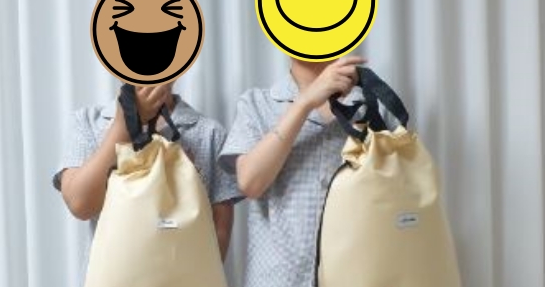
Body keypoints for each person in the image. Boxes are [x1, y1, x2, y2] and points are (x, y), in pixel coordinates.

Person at [53, 83, 240, 280]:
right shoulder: (89, 123)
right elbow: (79, 204)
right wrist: (122, 126)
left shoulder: (209, 133)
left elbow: (219, 233)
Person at [219, 56, 369, 287]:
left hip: (355, 274)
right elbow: (250, 183)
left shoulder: (372, 107)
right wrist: (305, 102)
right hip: (277, 279)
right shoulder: (257, 103)